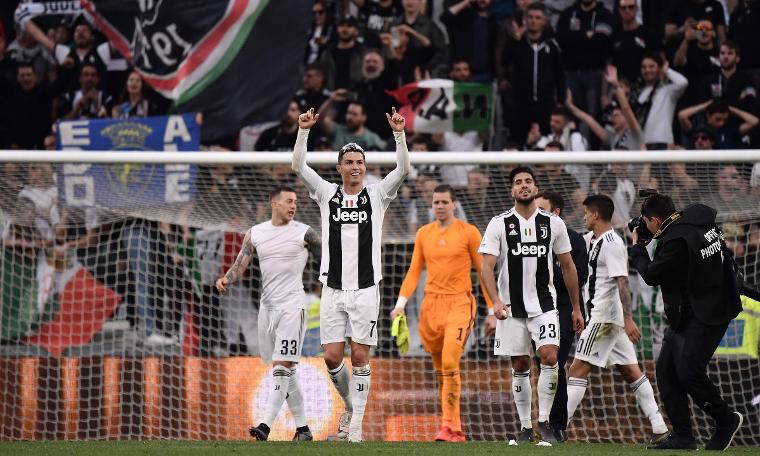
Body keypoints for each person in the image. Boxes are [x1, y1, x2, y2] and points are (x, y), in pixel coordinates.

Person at [292, 107, 410, 442]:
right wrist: (303, 130)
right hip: (332, 287)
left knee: (359, 355)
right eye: (349, 162)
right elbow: (298, 166)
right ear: (340, 168)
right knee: (331, 357)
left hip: (365, 288)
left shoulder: (377, 195)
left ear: (365, 167)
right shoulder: (326, 193)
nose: (355, 167)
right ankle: (350, 407)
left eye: (359, 162)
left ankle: (354, 427)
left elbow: (403, 168)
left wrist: (399, 134)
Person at [628, 193, 744, 450]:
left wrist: (637, 248)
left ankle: (726, 420)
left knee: (689, 372)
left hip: (707, 313)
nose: (644, 226)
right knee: (666, 371)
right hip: (695, 307)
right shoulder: (698, 219)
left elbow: (651, 274)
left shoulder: (675, 242)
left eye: (646, 222)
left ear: (654, 221)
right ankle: (683, 436)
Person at [479, 166, 584, 445]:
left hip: (545, 305)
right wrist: (495, 302)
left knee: (549, 356)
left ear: (535, 188)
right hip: (511, 308)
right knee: (520, 364)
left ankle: (544, 423)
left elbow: (568, 266)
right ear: (511, 190)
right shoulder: (499, 223)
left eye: (528, 181)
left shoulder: (553, 223)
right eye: (518, 182)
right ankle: (525, 428)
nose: (523, 185)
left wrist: (576, 307)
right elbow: (486, 267)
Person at [215, 186, 321, 442]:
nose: (293, 205)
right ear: (274, 203)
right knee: (284, 369)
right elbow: (241, 263)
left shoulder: (305, 232)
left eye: (295, 202)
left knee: (282, 365)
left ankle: (265, 424)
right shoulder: (255, 233)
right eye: (288, 201)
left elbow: (326, 262)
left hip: (293, 306)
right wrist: (226, 278)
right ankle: (303, 429)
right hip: (267, 308)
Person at [391, 184, 494, 442]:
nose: (439, 206)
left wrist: (492, 308)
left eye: (444, 202)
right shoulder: (424, 233)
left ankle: (451, 425)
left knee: (449, 361)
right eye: (436, 202)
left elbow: (483, 271)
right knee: (440, 368)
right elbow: (414, 271)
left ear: (454, 204)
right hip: (431, 307)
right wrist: (400, 303)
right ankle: (450, 428)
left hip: (459, 303)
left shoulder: (469, 232)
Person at [564, 194, 670, 444]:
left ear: (596, 215)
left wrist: (628, 319)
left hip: (604, 318)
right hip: (609, 320)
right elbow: (571, 240)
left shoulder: (612, 243)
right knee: (632, 372)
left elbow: (622, 282)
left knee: (577, 370)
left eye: (586, 213)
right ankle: (659, 427)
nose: (584, 217)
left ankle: (557, 428)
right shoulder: (593, 240)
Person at [534, 191, 588, 443]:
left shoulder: (575, 241)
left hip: (565, 310)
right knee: (541, 365)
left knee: (555, 363)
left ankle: (556, 425)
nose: (536, 214)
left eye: (542, 209)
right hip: (538, 309)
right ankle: (541, 423)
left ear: (556, 212)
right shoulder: (532, 239)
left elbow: (580, 276)